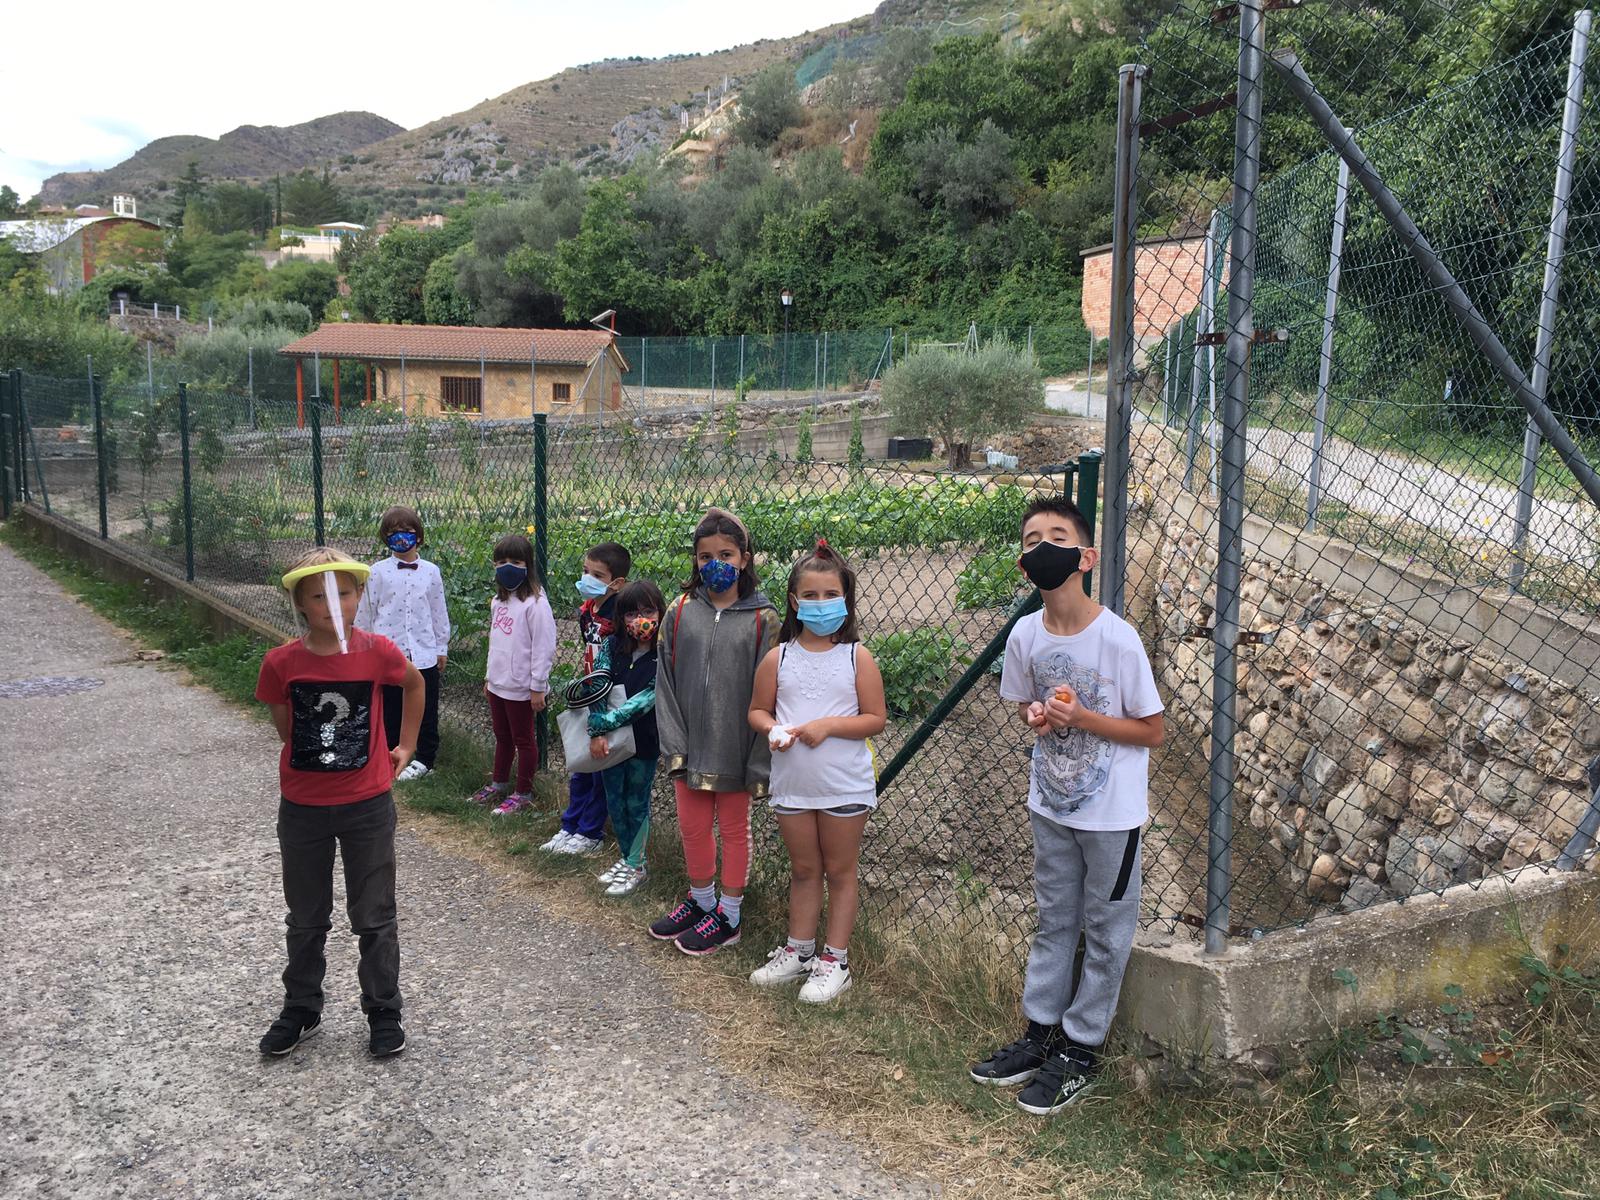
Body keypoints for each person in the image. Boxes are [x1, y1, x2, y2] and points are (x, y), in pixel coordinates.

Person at [968, 497, 1164, 1115]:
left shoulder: (1118, 639)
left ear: (1086, 558)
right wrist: (1040, 715)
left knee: (1105, 931)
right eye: (1032, 539)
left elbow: (1153, 730)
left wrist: (1082, 717)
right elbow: (1027, 707)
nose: (1043, 546)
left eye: (1057, 536)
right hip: (1050, 805)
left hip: (1110, 817)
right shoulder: (1025, 634)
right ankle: (1040, 1034)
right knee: (1054, 920)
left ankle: (1081, 1050)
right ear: (1023, 563)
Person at [254, 546, 423, 1059]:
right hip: (303, 808)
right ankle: (301, 1008)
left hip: (366, 806)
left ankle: (383, 1010)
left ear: (359, 595)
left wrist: (406, 744)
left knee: (374, 915)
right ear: (299, 603)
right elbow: (286, 729)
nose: (333, 604)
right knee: (306, 916)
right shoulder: (281, 662)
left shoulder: (377, 652)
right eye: (318, 596)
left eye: (343, 593)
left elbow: (413, 683)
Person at [747, 540, 886, 1003]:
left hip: (844, 787)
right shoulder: (779, 658)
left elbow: (875, 719)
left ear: (845, 601)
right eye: (811, 595)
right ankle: (799, 950)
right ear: (794, 601)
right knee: (805, 869)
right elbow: (757, 711)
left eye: (831, 595)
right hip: (793, 787)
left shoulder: (857, 658)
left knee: (841, 871)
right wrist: (772, 729)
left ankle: (835, 962)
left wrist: (827, 726)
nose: (821, 604)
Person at [651, 508, 778, 955]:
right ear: (695, 560)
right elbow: (665, 681)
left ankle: (730, 914)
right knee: (692, 826)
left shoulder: (764, 619)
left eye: (726, 554)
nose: (715, 564)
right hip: (689, 745)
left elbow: (770, 691)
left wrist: (757, 758)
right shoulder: (680, 611)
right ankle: (701, 901)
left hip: (735, 748)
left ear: (745, 558)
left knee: (735, 829)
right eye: (705, 556)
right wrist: (674, 743)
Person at [544, 542, 631, 856]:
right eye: (585, 571)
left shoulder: (622, 615)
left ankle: (591, 832)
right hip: (588, 694)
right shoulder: (588, 611)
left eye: (597, 575)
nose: (586, 579)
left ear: (616, 583)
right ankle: (571, 825)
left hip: (610, 699)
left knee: (601, 767)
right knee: (581, 763)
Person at [355, 505, 450, 782]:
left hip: (423, 652)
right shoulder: (376, 572)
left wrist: (441, 647)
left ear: (418, 536)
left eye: (407, 531)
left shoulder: (431, 572)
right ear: (385, 537)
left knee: (427, 707)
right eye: (393, 532)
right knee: (390, 706)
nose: (401, 537)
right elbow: (366, 612)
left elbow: (438, 611)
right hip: (388, 653)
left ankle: (425, 759)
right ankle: (391, 755)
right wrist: (363, 649)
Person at [586, 579, 665, 896]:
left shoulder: (665, 654)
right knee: (615, 801)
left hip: (645, 740)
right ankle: (626, 857)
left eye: (648, 611)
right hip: (608, 741)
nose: (640, 620)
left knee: (636, 802)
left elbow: (647, 699)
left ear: (661, 613)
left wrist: (603, 722)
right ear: (621, 617)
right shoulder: (611, 646)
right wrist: (597, 729)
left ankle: (637, 864)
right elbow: (598, 684)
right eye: (631, 613)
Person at [469, 534, 556, 816]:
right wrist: (489, 677)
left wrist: (537, 686)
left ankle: (523, 792)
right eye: (502, 561)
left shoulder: (536, 604)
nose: (508, 567)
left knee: (524, 740)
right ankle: (499, 783)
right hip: (498, 683)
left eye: (516, 562)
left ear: (528, 565)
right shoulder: (498, 600)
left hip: (521, 686)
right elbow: (496, 642)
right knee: (502, 736)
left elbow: (543, 647)